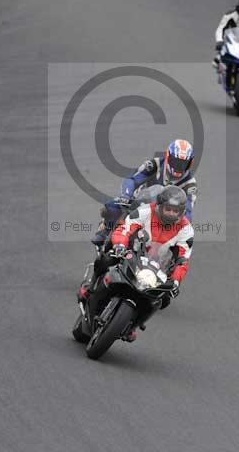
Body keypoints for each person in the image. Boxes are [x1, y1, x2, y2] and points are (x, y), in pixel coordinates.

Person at [79, 186, 194, 341]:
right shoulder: (145, 211)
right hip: (131, 251)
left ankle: (132, 325)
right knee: (107, 257)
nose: (172, 214)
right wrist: (119, 245)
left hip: (156, 266)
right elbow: (125, 229)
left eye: (176, 211)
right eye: (168, 209)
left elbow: (183, 260)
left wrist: (175, 281)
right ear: (160, 206)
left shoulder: (186, 230)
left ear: (181, 212)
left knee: (164, 299)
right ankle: (91, 287)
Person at [91, 139, 197, 247]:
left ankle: (170, 261)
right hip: (140, 202)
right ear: (168, 156)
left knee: (179, 239)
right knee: (111, 207)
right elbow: (132, 180)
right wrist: (126, 195)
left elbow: (188, 208)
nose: (179, 167)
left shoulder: (190, 184)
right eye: (176, 162)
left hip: (164, 214)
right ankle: (104, 231)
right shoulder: (154, 164)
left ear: (190, 163)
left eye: (183, 164)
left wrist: (185, 223)